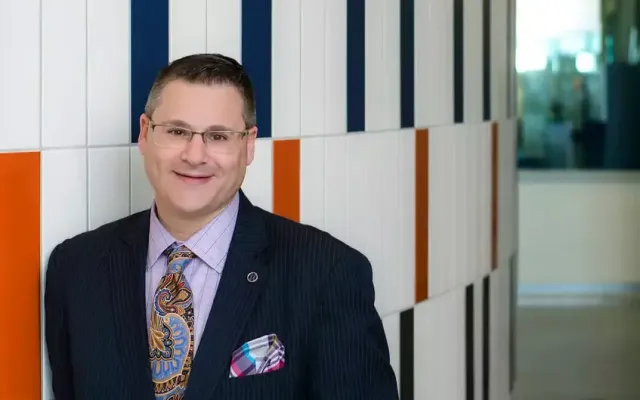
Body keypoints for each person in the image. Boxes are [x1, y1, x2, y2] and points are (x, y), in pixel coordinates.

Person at [44, 53, 399, 400]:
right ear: (145, 134)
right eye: (177, 131)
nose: (195, 155)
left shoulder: (327, 273)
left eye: (218, 136)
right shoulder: (76, 268)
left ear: (248, 145)